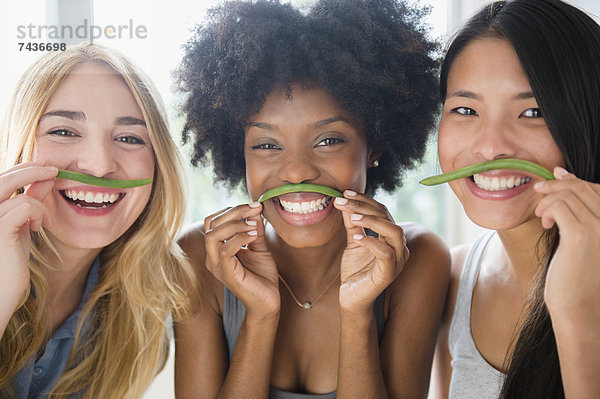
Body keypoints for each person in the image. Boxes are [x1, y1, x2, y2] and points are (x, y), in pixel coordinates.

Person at [174, 0, 450, 397]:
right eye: (267, 144)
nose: (297, 171)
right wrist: (261, 315)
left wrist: (356, 315)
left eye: (328, 140)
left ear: (375, 146)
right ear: (240, 153)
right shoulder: (200, 258)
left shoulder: (418, 259)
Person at [0, 43, 194, 398]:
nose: (99, 165)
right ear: (19, 146)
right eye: (64, 131)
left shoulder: (144, 314)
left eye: (129, 138)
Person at [431, 0, 600, 398]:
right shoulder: (451, 277)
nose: (491, 148)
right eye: (466, 109)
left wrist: (576, 316)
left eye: (533, 112)